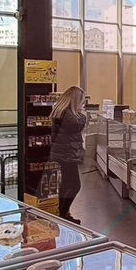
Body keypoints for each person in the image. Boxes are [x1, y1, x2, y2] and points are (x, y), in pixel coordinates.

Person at [49, 85, 88, 223]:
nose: (83, 103)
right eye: (82, 100)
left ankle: (63, 213)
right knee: (75, 185)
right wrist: (83, 114)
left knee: (66, 183)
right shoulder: (68, 114)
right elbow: (77, 125)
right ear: (76, 100)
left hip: (63, 153)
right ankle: (63, 215)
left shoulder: (61, 111)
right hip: (67, 153)